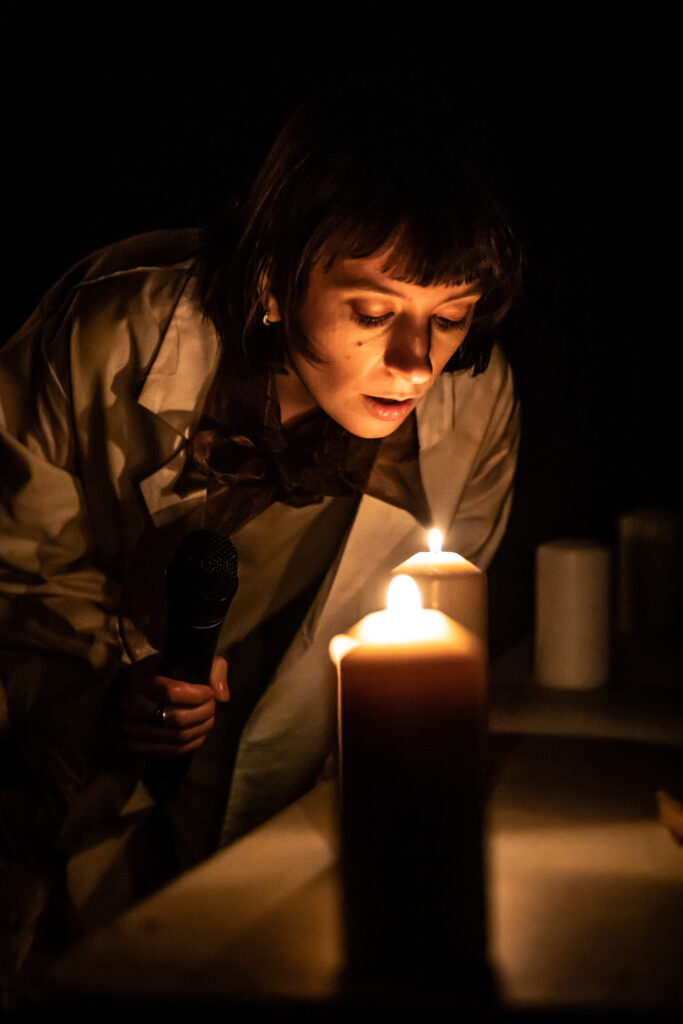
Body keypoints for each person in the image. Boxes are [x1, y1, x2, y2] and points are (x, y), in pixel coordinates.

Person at [0, 79, 522, 983]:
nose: (415, 364)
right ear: (275, 281)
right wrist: (121, 677)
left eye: (450, 319)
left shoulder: (473, 406)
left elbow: (430, 643)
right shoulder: (106, 334)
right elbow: (20, 569)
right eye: (372, 312)